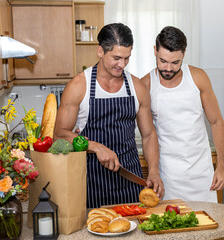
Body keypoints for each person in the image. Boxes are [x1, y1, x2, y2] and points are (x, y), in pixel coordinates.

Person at [54, 23, 164, 208]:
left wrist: (153, 170)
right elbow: (59, 134)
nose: (122, 64)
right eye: (116, 58)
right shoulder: (79, 86)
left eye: (127, 58)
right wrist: (95, 146)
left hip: (130, 181)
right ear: (100, 51)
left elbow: (149, 135)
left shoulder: (137, 87)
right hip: (91, 182)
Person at [141, 26, 224, 202]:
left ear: (184, 54)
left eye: (175, 62)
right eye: (163, 61)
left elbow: (216, 122)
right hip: (168, 175)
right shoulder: (146, 85)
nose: (168, 68)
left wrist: (222, 167)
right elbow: (148, 134)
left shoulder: (198, 77)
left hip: (201, 173)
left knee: (207, 224)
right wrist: (153, 172)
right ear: (155, 51)